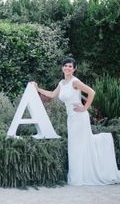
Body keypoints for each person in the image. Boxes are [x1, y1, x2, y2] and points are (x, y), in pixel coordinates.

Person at [31, 57, 120, 186]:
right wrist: (37, 88)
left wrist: (84, 108)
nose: (67, 68)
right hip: (71, 118)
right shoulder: (62, 83)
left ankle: (80, 178)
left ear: (74, 69)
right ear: (62, 67)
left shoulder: (75, 82)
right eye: (65, 65)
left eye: (70, 66)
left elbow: (92, 92)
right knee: (75, 146)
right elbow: (51, 94)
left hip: (79, 117)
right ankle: (78, 176)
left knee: (78, 146)